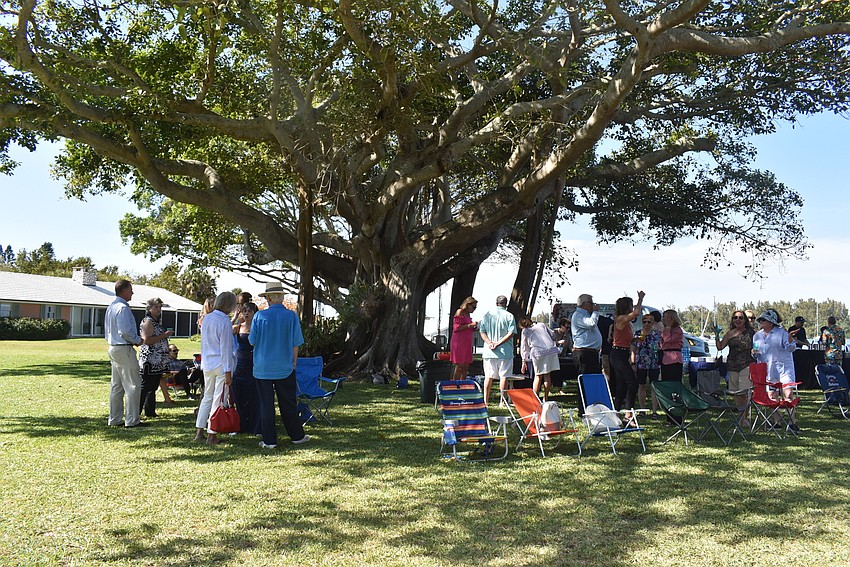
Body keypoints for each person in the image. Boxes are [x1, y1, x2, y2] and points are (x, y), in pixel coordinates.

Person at [249, 282, 310, 449]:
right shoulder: (291, 316)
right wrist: (294, 363)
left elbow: (252, 341)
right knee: (288, 403)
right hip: (285, 366)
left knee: (266, 405)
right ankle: (296, 436)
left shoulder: (259, 316)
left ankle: (269, 440)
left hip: (263, 367)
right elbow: (296, 343)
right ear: (281, 297)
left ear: (268, 298)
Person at [194, 291, 237, 445]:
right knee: (218, 399)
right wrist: (228, 371)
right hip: (220, 364)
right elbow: (226, 348)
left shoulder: (207, 318)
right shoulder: (224, 321)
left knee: (207, 397)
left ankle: (199, 431)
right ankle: (212, 434)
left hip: (208, 363)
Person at [105, 279, 148, 428]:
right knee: (133, 385)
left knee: (117, 386)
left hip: (113, 347)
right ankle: (132, 420)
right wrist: (138, 340)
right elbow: (125, 331)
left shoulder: (111, 307)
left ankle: (115, 418)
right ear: (123, 290)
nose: (132, 293)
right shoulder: (123, 308)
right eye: (130, 290)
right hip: (123, 348)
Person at [753, 309, 799, 431]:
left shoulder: (782, 333)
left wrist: (790, 339)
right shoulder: (757, 336)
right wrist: (753, 353)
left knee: (788, 394)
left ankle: (792, 423)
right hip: (768, 370)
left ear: (771, 322)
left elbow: (791, 348)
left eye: (763, 320)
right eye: (760, 320)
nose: (761, 322)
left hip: (784, 368)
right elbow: (756, 353)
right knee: (772, 395)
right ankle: (777, 422)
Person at [715, 310, 755, 427]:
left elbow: (759, 345)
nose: (738, 320)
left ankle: (745, 418)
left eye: (740, 318)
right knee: (736, 393)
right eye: (735, 317)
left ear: (745, 320)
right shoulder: (730, 333)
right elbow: (720, 347)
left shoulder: (751, 333)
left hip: (746, 364)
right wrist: (717, 335)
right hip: (732, 365)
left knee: (744, 392)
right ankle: (741, 416)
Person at [609, 293, 645, 421]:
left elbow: (625, 340)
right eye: (631, 305)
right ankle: (628, 414)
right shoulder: (621, 319)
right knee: (633, 383)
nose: (632, 307)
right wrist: (640, 299)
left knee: (622, 385)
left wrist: (636, 339)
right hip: (617, 354)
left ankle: (616, 412)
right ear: (626, 307)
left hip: (623, 354)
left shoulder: (627, 323)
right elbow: (636, 313)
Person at [138, 297, 174, 417]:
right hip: (149, 360)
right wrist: (164, 335)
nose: (158, 309)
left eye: (160, 307)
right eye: (156, 307)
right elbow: (146, 340)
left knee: (152, 387)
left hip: (158, 361)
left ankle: (150, 411)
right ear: (149, 308)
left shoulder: (156, 321)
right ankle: (136, 412)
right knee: (145, 386)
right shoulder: (148, 321)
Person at [478, 295, 518, 404]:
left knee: (488, 376)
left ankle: (485, 400)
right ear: (506, 304)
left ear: (496, 303)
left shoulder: (487, 315)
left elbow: (482, 331)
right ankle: (502, 401)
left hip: (489, 351)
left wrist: (489, 342)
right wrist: (498, 343)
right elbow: (511, 333)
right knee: (504, 376)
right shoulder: (509, 316)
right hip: (505, 352)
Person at [232, 301, 262, 435]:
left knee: (254, 396)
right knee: (239, 396)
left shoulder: (259, 328)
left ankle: (256, 427)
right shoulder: (238, 327)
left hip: (254, 364)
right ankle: (241, 425)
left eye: (250, 311)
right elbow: (225, 330)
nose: (247, 313)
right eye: (245, 311)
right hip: (240, 364)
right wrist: (235, 317)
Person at [518, 316, 560, 401]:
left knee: (538, 376)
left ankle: (535, 398)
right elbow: (552, 334)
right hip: (551, 350)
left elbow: (524, 347)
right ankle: (546, 398)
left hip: (538, 352)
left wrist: (524, 360)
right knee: (547, 375)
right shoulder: (541, 325)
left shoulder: (525, 331)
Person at [632, 312, 661, 417]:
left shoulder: (657, 334)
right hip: (641, 363)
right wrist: (632, 362)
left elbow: (660, 347)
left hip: (654, 363)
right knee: (641, 386)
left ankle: (654, 411)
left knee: (654, 386)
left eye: (649, 322)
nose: (647, 324)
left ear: (652, 323)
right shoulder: (637, 334)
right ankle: (642, 409)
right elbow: (633, 349)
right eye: (644, 322)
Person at [571, 294, 602, 376]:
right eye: (591, 303)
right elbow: (591, 324)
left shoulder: (587, 315)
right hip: (584, 352)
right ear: (585, 304)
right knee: (586, 378)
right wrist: (595, 311)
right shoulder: (578, 315)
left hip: (590, 352)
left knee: (593, 378)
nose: (593, 305)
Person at [449, 297, 479, 380]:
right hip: (459, 342)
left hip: (467, 343)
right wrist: (469, 325)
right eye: (473, 307)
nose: (474, 309)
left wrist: (474, 328)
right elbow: (456, 327)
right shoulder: (460, 312)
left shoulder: (468, 315)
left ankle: (463, 384)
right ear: (467, 305)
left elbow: (467, 328)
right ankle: (455, 384)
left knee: (466, 367)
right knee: (459, 366)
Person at [660, 309, 684, 382]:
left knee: (674, 381)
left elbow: (667, 339)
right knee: (666, 381)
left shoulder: (678, 330)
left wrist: (668, 327)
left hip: (674, 358)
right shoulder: (664, 330)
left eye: (667, 317)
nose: (664, 319)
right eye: (664, 317)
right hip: (665, 358)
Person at [598, 313, 614, 387]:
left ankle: (606, 386)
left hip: (604, 349)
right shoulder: (609, 322)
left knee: (605, 369)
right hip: (609, 349)